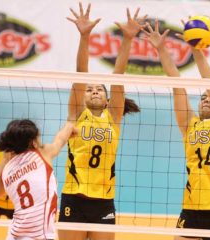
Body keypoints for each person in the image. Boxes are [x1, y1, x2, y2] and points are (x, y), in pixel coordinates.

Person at [142, 20, 210, 240]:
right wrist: (161, 49)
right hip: (192, 207)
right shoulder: (190, 125)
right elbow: (177, 84)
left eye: (209, 98)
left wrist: (196, 50)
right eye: (202, 98)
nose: (205, 99)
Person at [58, 3, 144, 240]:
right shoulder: (77, 113)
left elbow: (118, 77)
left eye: (99, 90)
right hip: (74, 197)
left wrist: (127, 39)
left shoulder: (113, 117)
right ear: (83, 97)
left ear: (107, 100)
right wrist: (84, 36)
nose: (94, 91)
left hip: (104, 199)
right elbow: (81, 74)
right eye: (90, 90)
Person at [0, 119, 76, 240]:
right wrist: (71, 123)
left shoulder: (8, 169)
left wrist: (5, 159)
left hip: (14, 235)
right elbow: (60, 140)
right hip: (40, 236)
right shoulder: (41, 154)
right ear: (33, 142)